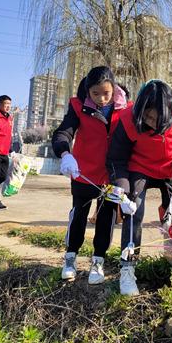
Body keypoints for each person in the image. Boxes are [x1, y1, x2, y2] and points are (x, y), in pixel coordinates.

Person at [107, 80, 172, 296]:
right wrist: (121, 189)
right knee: (133, 213)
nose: (153, 123)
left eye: (158, 119)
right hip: (140, 168)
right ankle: (128, 269)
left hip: (170, 169)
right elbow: (117, 159)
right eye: (148, 117)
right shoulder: (128, 120)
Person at [52, 66, 131, 284]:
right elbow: (64, 132)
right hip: (83, 170)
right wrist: (65, 153)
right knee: (78, 214)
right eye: (95, 94)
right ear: (88, 90)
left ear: (113, 88)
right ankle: (70, 257)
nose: (101, 99)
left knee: (106, 218)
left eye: (106, 93)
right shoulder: (78, 106)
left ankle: (98, 260)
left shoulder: (126, 108)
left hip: (111, 174)